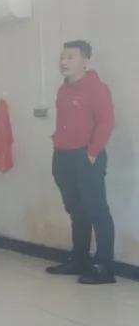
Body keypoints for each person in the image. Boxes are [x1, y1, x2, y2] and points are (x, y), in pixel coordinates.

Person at [47, 40, 116, 284]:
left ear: (85, 61)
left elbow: (106, 122)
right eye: (62, 57)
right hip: (63, 156)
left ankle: (105, 267)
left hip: (87, 156)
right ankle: (80, 260)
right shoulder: (63, 89)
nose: (64, 62)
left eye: (70, 57)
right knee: (76, 211)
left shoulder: (97, 88)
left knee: (97, 211)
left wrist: (92, 153)